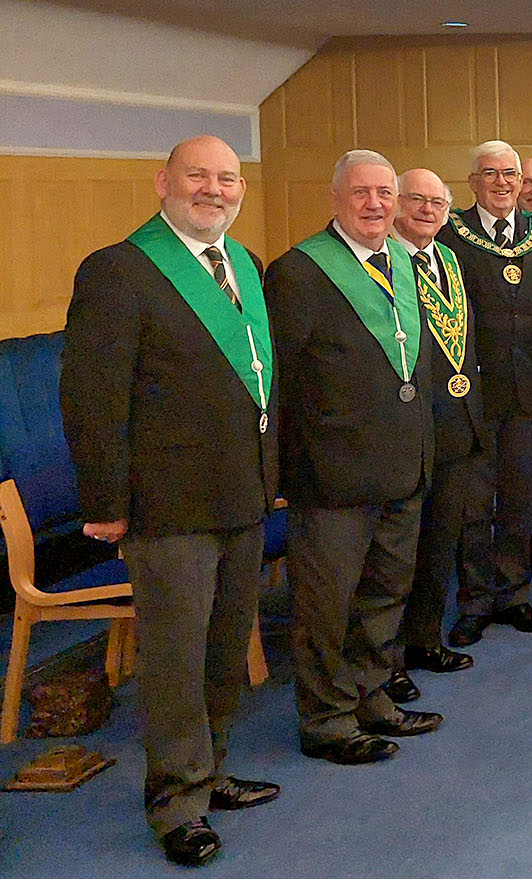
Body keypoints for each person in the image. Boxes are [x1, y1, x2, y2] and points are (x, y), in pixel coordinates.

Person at [62, 134, 279, 867]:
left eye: (228, 178)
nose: (214, 189)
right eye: (198, 176)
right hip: (168, 503)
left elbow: (255, 378)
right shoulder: (118, 270)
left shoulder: (244, 263)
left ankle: (210, 770)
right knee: (176, 659)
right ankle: (177, 802)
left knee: (224, 648)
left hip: (241, 493)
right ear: (163, 182)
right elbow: (92, 395)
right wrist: (105, 499)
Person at [265, 149, 442, 766]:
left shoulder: (404, 262)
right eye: (361, 193)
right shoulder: (298, 273)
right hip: (333, 474)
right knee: (327, 607)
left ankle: (371, 695)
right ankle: (327, 719)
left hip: (403, 465)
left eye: (384, 193)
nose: (374, 205)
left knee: (384, 595)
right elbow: (281, 383)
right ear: (336, 199)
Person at [438, 139, 532, 646]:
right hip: (474, 391)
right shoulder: (451, 234)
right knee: (474, 504)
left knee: (519, 499)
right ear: (473, 182)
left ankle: (514, 594)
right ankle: (474, 601)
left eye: (509, 174)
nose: (502, 182)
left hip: (531, 387)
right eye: (490, 173)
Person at [384, 168, 481, 706]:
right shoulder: (384, 263)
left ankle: (424, 639)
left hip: (456, 424)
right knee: (397, 554)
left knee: (439, 543)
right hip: (407, 430)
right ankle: (387, 661)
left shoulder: (449, 258)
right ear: (396, 205)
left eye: (437, 203)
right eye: (416, 200)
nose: (427, 210)